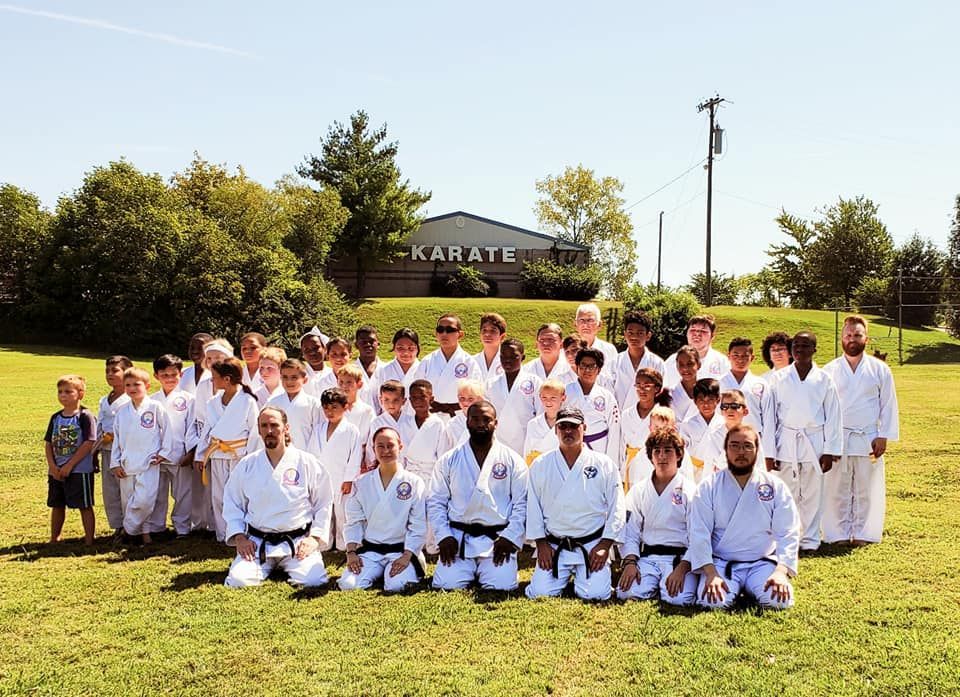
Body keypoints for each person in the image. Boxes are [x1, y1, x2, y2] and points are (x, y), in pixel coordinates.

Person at [689, 425, 801, 610]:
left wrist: (781, 572)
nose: (741, 452)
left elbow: (788, 531)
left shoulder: (774, 486)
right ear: (725, 450)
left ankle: (756, 585)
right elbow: (699, 533)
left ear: (757, 450)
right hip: (721, 564)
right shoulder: (709, 486)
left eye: (748, 446)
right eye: (734, 445)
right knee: (712, 602)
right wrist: (710, 573)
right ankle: (734, 586)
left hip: (761, 563)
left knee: (779, 601)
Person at [222, 406, 333, 588]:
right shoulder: (248, 464)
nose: (269, 431)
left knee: (313, 581)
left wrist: (314, 538)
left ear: (286, 428)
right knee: (238, 581)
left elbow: (324, 502)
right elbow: (232, 502)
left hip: (297, 542)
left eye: (274, 425)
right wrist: (240, 537)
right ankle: (264, 564)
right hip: (258, 542)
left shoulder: (306, 462)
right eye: (264, 426)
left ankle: (288, 563)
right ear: (258, 430)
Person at [525, 407, 625, 600]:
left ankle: (588, 578)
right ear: (556, 430)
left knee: (596, 594)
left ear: (584, 428)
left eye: (573, 426)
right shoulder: (541, 464)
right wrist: (541, 543)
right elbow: (533, 506)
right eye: (563, 426)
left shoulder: (604, 464)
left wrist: (605, 544)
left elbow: (617, 507)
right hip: (555, 546)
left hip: (591, 545)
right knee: (540, 593)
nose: (568, 431)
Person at [428, 401, 528, 591]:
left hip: (497, 540)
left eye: (486, 420)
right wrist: (444, 536)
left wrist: (510, 536)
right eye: (475, 419)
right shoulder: (449, 459)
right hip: (458, 539)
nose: (481, 424)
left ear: (496, 423)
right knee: (445, 584)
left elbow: (521, 504)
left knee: (502, 586)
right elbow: (436, 501)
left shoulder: (512, 460)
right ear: (467, 422)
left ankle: (489, 569)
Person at [822, 315, 899, 545]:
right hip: (839, 436)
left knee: (867, 487)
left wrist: (883, 435)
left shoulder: (879, 369)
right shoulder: (829, 370)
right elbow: (824, 408)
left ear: (866, 338)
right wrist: (827, 442)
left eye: (857, 335)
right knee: (836, 488)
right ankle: (837, 534)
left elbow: (888, 403)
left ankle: (865, 533)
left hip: (868, 437)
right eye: (848, 335)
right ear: (841, 338)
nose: (852, 339)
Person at [763, 331, 842, 551]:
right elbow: (770, 418)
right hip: (786, 441)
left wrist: (830, 449)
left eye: (805, 346)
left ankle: (810, 539)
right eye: (796, 345)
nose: (800, 349)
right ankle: (788, 538)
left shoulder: (824, 379)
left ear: (814, 349)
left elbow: (834, 416)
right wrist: (770, 452)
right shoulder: (778, 378)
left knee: (813, 493)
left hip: (814, 441)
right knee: (787, 493)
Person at [340, 427, 427, 592]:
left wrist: (407, 556)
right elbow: (354, 521)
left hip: (401, 551)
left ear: (400, 446)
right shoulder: (361, 483)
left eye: (390, 445)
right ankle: (377, 571)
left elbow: (418, 524)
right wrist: (351, 552)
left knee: (397, 586)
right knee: (348, 585)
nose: (386, 450)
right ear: (373, 449)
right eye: (380, 446)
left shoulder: (414, 482)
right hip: (372, 551)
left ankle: (395, 571)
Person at [617, 428, 697, 605]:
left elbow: (698, 536)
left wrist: (683, 567)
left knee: (679, 599)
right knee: (625, 592)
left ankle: (662, 586)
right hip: (648, 558)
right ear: (651, 457)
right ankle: (653, 585)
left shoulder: (690, 491)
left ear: (678, 455)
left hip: (680, 559)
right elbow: (630, 531)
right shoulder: (639, 490)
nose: (662, 456)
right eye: (657, 451)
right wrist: (630, 562)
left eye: (668, 450)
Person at [194, 358, 261, 543]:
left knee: (240, 495)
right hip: (217, 454)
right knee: (218, 495)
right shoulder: (213, 402)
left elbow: (255, 431)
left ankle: (244, 532)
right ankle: (223, 533)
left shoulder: (247, 401)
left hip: (239, 455)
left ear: (227, 379)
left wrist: (252, 458)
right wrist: (201, 455)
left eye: (214, 377)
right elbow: (206, 430)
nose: (212, 381)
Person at [111, 367, 174, 544]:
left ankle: (127, 531)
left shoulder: (155, 407)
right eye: (128, 385)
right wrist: (115, 462)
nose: (132, 388)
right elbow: (117, 439)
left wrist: (163, 453)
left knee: (145, 500)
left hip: (148, 462)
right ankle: (143, 535)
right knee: (128, 501)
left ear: (146, 385)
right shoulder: (122, 411)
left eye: (136, 384)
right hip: (127, 463)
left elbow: (167, 430)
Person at [44, 375, 97, 545]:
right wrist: (53, 466)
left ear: (80, 393)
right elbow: (49, 443)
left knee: (84, 505)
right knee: (57, 504)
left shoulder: (85, 416)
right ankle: (55, 538)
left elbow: (89, 443)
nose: (63, 395)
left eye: (68, 391)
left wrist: (70, 465)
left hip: (79, 470)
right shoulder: (55, 417)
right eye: (60, 392)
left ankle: (89, 540)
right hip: (57, 470)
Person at [148, 354, 196, 538]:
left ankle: (182, 528)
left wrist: (190, 452)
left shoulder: (188, 400)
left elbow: (192, 428)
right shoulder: (151, 400)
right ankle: (156, 526)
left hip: (180, 455)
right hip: (157, 455)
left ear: (180, 375)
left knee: (183, 493)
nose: (169, 378)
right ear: (156, 376)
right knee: (157, 492)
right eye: (164, 374)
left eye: (173, 374)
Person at [311, 387, 362, 551]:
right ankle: (324, 541)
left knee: (342, 513)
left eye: (334, 407)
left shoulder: (351, 430)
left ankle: (344, 542)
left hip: (341, 478)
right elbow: (311, 453)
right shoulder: (318, 429)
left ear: (345, 407)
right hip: (322, 477)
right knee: (323, 510)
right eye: (326, 408)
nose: (329, 412)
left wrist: (349, 478)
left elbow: (355, 456)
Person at [413, 314, 482, 417]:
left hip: (460, 415)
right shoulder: (427, 361)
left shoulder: (469, 362)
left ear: (460, 334)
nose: (444, 334)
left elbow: (477, 395)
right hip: (431, 415)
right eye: (440, 330)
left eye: (450, 330)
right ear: (436, 334)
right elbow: (416, 391)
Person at [484, 339, 542, 456]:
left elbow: (541, 413)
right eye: (503, 356)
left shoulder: (534, 382)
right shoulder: (491, 384)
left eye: (513, 356)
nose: (507, 360)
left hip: (526, 440)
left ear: (523, 357)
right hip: (498, 440)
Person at [97, 355, 133, 538]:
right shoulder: (105, 399)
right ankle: (117, 525)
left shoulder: (131, 398)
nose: (110, 374)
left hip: (125, 451)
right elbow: (100, 424)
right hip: (106, 450)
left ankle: (130, 525)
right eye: (107, 371)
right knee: (110, 490)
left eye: (115, 370)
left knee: (126, 489)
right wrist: (95, 450)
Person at [619, 368, 672, 492]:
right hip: (630, 464)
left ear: (657, 389)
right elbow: (621, 444)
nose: (641, 390)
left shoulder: (663, 414)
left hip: (652, 464)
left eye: (647, 386)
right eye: (638, 385)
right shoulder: (627, 414)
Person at [564, 348, 621, 462]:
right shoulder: (566, 392)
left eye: (592, 366)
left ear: (599, 369)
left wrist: (611, 460)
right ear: (577, 367)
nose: (587, 370)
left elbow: (614, 428)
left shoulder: (606, 396)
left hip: (599, 446)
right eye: (583, 365)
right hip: (570, 445)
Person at [613, 310, 666, 410]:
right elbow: (608, 395)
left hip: (649, 419)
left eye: (640, 333)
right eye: (630, 332)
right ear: (624, 334)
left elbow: (661, 394)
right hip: (619, 419)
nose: (634, 337)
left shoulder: (657, 363)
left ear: (648, 336)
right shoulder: (614, 362)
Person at [719, 337, 773, 435]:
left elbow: (768, 417)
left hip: (753, 436)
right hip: (725, 436)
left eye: (745, 356)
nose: (740, 359)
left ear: (752, 358)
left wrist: (767, 445)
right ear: (728, 356)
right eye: (736, 355)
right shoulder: (719, 383)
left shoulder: (761, 383)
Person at [267, 359, 320, 452]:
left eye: (294, 377)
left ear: (305, 379)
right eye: (285, 377)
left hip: (305, 453)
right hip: (279, 453)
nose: (289, 381)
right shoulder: (273, 403)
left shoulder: (313, 404)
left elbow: (319, 433)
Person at [663, 315, 731, 387]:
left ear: (712, 336)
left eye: (703, 331)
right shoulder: (672, 361)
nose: (697, 334)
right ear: (686, 333)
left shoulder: (722, 362)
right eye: (693, 330)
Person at [402, 380, 447, 486]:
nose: (418, 401)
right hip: (408, 476)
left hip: (430, 477)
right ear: (410, 400)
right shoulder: (405, 423)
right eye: (414, 398)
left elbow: (442, 456)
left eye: (422, 397)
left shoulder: (438, 423)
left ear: (431, 399)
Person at [679, 378, 723, 484]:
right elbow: (681, 452)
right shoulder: (687, 424)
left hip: (717, 472)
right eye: (701, 400)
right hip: (692, 472)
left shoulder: (723, 424)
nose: (706, 405)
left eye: (710, 400)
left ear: (718, 400)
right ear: (695, 401)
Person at [368, 328, 421, 414]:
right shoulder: (383, 370)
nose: (406, 352)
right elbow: (374, 400)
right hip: (388, 421)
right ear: (394, 347)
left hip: (416, 421)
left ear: (417, 348)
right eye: (401, 348)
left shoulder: (424, 369)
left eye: (411, 348)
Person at [366, 380, 418, 461]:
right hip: (385, 465)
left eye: (396, 400)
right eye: (386, 399)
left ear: (403, 401)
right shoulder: (377, 422)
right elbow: (371, 447)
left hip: (409, 466)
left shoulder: (412, 421)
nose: (391, 404)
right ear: (380, 400)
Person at [522, 380, 565, 465]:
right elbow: (527, 452)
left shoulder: (568, 423)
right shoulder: (533, 424)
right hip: (538, 468)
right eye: (544, 398)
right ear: (540, 397)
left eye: (553, 398)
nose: (548, 402)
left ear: (563, 398)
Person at [574, 303, 618, 382]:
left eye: (590, 320)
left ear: (599, 324)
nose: (585, 324)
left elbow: (615, 380)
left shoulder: (609, 350)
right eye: (581, 320)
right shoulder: (566, 350)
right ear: (575, 324)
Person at [440, 379, 485, 454]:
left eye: (470, 399)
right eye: (462, 398)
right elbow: (445, 450)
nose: (465, 402)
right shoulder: (452, 424)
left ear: (479, 399)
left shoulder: (486, 422)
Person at [354, 325, 384, 411]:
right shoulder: (350, 371)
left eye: (371, 341)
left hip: (383, 421)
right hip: (357, 420)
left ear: (378, 344)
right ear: (356, 345)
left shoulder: (386, 369)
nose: (368, 345)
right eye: (363, 342)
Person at [668, 346, 700, 422]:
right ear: (677, 366)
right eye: (681, 365)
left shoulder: (708, 392)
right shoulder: (669, 394)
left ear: (699, 365)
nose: (685, 368)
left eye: (690, 364)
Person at [299, 327, 333, 399]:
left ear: (325, 349)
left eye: (316, 347)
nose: (312, 352)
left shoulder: (333, 374)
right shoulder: (297, 375)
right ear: (302, 353)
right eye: (306, 349)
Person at [472, 312, 506, 382]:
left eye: (493, 331)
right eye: (484, 330)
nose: (487, 334)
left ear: (502, 336)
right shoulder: (471, 361)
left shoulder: (509, 362)